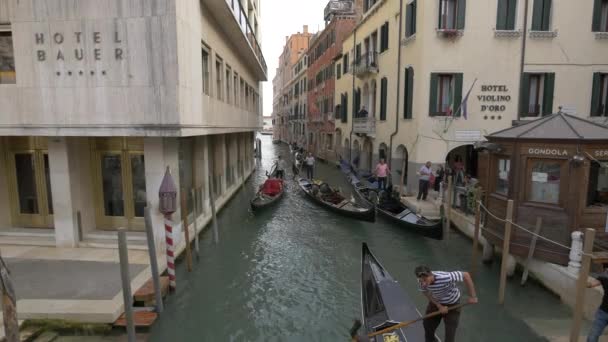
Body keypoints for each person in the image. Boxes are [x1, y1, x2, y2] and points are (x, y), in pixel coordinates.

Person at [415, 265, 478, 342]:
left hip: (453, 304)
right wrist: (439, 306)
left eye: (425, 280)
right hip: (437, 302)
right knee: (427, 325)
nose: (424, 283)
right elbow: (425, 292)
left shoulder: (445, 277)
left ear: (431, 274)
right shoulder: (420, 281)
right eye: (421, 281)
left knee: (449, 336)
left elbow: (466, 275)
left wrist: (472, 296)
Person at [587, 270, 608, 342]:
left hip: (602, 313)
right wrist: (584, 282)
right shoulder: (604, 276)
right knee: (592, 337)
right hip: (602, 312)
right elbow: (592, 284)